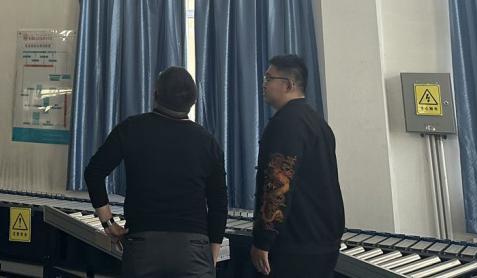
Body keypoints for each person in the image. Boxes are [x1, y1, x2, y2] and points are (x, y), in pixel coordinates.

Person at [84, 67, 228, 278]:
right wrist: (211, 254)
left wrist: (108, 222)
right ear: (194, 101)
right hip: (193, 248)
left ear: (155, 95)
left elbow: (94, 173)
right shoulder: (208, 142)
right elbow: (218, 203)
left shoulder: (131, 129)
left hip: (142, 246)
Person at [250, 54, 345, 278]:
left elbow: (278, 183)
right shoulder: (318, 123)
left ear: (289, 85)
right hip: (324, 241)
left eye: (269, 78)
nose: (264, 84)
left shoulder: (285, 124)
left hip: (295, 245)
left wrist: (263, 240)